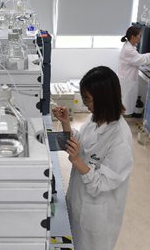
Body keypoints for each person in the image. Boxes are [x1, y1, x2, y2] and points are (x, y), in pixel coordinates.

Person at [52, 66, 133, 250]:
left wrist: (77, 161)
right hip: (78, 201)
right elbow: (81, 143)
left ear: (103, 98)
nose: (85, 104)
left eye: (87, 99)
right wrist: (66, 124)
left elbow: (101, 184)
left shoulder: (120, 139)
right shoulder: (96, 118)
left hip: (98, 219)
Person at [118, 26, 150, 115]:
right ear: (133, 37)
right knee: (125, 103)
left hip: (126, 78)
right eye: (139, 36)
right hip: (127, 80)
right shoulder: (129, 50)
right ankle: (121, 121)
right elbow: (142, 60)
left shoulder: (129, 46)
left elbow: (139, 57)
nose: (140, 38)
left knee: (126, 101)